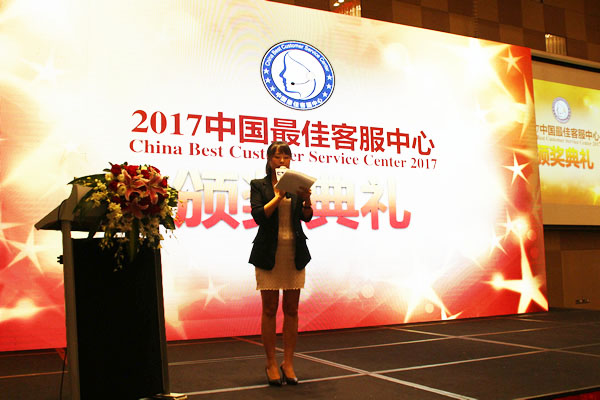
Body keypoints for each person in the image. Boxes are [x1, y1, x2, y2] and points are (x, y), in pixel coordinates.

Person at [249, 141, 313, 386]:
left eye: (286, 156)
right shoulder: (259, 185)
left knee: (292, 309)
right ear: (268, 160)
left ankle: (288, 362)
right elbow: (259, 216)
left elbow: (306, 218)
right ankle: (271, 363)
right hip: (268, 252)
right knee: (269, 308)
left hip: (293, 252)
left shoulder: (296, 185)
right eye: (277, 156)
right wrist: (278, 197)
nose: (282, 160)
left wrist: (306, 201)